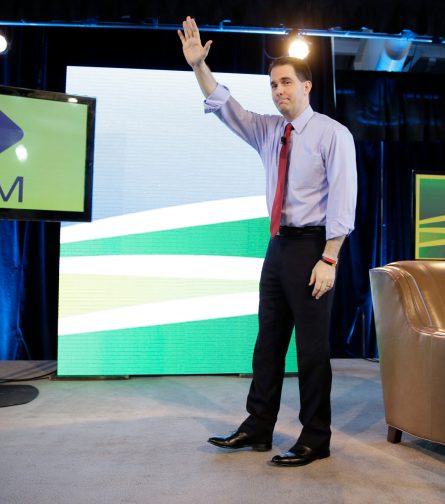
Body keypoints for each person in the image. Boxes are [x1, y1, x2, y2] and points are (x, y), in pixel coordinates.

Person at [178, 16, 357, 467]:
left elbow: (343, 200)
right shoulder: (269, 130)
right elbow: (227, 106)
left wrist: (329, 260)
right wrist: (199, 66)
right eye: (273, 85)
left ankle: (316, 438)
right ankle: (259, 427)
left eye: (286, 83)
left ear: (307, 86)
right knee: (268, 343)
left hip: (314, 248)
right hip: (277, 247)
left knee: (311, 351)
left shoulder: (333, 134)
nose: (278, 91)